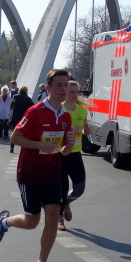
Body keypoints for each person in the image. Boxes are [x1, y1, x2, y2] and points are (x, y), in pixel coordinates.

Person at [0, 69, 75, 262]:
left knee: (53, 216)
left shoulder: (65, 116)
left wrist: (70, 143)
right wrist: (39, 145)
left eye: (66, 85)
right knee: (31, 222)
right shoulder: (35, 111)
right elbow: (15, 137)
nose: (64, 89)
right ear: (49, 88)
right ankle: (4, 222)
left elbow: (64, 151)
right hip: (30, 173)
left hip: (52, 173)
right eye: (59, 85)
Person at [58, 80, 92, 231]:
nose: (75, 95)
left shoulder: (82, 110)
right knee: (62, 186)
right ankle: (59, 217)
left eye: (77, 92)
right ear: (65, 93)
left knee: (79, 188)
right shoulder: (60, 109)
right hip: (61, 152)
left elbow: (84, 128)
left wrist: (86, 131)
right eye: (72, 92)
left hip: (76, 152)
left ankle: (66, 203)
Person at [8, 85, 34, 154]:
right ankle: (22, 148)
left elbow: (11, 106)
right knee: (24, 133)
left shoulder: (15, 97)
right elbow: (32, 108)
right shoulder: (28, 99)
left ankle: (12, 147)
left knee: (13, 132)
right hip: (23, 118)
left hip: (15, 117)